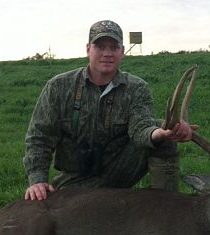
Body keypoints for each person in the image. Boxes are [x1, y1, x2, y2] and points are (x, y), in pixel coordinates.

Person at [24, 20, 195, 201]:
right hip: (78, 176)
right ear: (88, 49)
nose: (107, 53)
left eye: (113, 47)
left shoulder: (136, 88)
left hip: (120, 170)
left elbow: (141, 128)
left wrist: (160, 132)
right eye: (100, 46)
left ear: (122, 52)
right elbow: (39, 137)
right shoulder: (59, 86)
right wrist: (38, 180)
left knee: (162, 134)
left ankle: (166, 205)